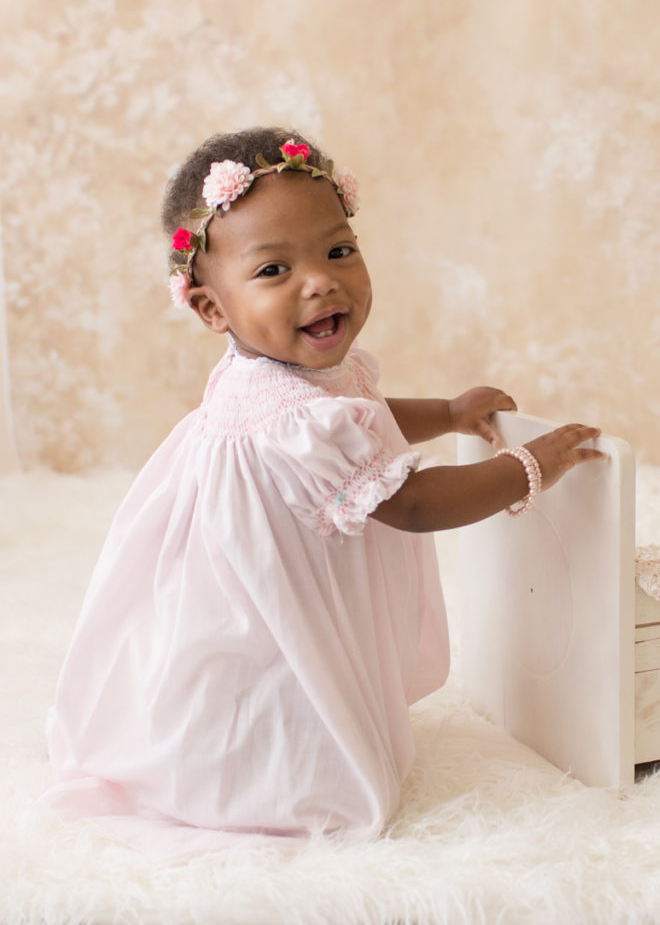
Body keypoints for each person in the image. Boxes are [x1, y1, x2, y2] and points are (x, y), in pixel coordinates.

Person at [40, 126, 603, 846]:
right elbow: (415, 505)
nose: (320, 280)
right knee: (281, 685)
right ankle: (268, 778)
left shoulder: (295, 378)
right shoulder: (288, 408)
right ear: (212, 309)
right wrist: (531, 466)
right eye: (273, 270)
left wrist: (449, 413)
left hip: (278, 561)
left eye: (339, 250)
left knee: (299, 667)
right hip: (260, 598)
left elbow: (361, 418)